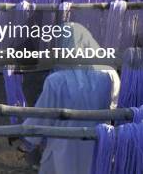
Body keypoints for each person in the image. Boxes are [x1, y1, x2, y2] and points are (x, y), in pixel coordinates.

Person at [20, 22, 120, 174]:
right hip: (97, 147)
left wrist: (27, 141)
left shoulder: (56, 81)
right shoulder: (110, 75)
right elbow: (114, 110)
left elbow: (41, 118)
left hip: (62, 149)